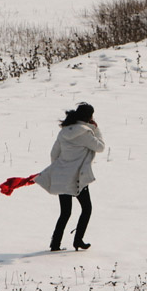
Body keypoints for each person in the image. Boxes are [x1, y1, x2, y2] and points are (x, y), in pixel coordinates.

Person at [34, 102, 105, 251]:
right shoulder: (86, 133)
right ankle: (78, 240)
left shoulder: (64, 132)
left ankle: (55, 244)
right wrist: (96, 129)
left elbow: (54, 154)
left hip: (61, 176)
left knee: (65, 212)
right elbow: (100, 147)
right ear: (90, 117)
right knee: (87, 208)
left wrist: (60, 169)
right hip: (78, 179)